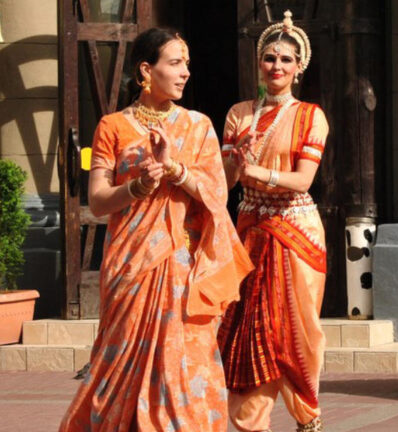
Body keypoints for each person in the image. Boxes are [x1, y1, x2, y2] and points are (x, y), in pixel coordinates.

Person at [60, 28, 252, 431]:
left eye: (187, 64)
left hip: (180, 265)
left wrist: (175, 169)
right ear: (146, 70)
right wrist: (138, 186)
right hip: (130, 266)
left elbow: (217, 193)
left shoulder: (198, 126)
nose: (185, 73)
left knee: (184, 368)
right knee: (121, 366)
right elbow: (97, 201)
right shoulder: (112, 127)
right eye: (175, 63)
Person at [216, 11, 329, 432]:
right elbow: (225, 183)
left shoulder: (310, 116)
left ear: (299, 68)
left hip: (295, 232)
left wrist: (258, 172)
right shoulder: (238, 114)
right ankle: (250, 423)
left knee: (297, 332)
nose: (276, 66)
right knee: (247, 329)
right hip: (248, 232)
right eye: (269, 58)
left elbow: (303, 179)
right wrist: (235, 159)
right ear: (258, 64)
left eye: (285, 59)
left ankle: (307, 416)